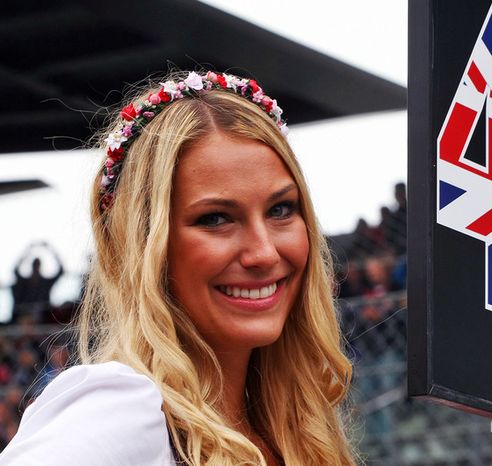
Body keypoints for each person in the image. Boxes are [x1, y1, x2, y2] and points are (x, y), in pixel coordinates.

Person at [0, 71, 357, 465]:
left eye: (280, 210)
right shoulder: (122, 411)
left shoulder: (294, 428)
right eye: (216, 218)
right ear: (144, 245)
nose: (265, 253)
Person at [10, 241, 64, 323]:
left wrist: (51, 250)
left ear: (40, 266)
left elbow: (61, 271)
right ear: (32, 266)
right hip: (24, 317)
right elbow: (15, 270)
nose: (36, 267)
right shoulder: (25, 282)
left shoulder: (46, 283)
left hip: (43, 318)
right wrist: (27, 251)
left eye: (37, 265)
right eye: (35, 265)